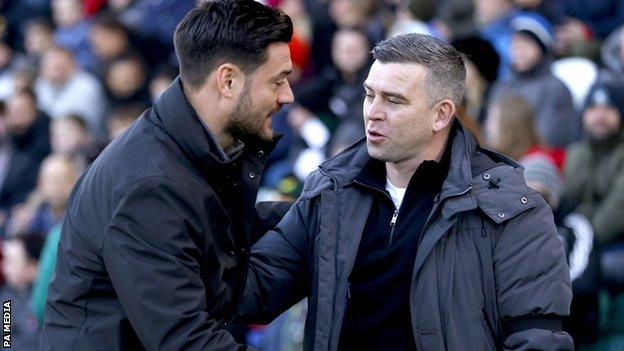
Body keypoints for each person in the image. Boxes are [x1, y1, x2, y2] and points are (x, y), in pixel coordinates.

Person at [241, 33, 573, 350]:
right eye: (370, 95)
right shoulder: (330, 190)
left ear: (441, 114)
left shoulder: (512, 209)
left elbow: (537, 341)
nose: (373, 112)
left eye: (393, 100)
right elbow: (253, 291)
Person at [40, 1, 294, 350]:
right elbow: (186, 341)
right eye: (278, 80)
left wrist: (314, 215)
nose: (287, 95)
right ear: (228, 80)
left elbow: (223, 242)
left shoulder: (192, 149)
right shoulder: (150, 186)